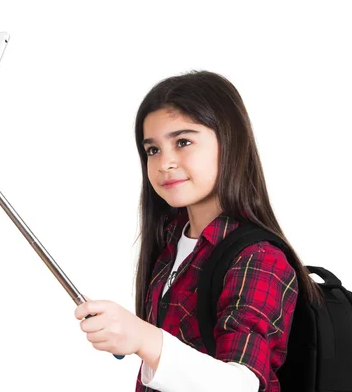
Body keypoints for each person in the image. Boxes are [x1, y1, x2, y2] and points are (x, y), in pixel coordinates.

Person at [74, 71, 321, 392]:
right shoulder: (171, 243)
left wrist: (143, 337)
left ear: (230, 144)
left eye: (183, 142)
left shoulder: (258, 257)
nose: (165, 163)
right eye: (153, 150)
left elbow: (242, 384)